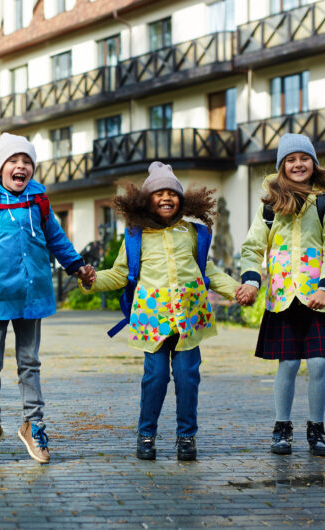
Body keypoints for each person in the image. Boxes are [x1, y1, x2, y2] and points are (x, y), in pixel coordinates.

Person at [0, 133, 95, 465]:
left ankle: (32, 424)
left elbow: (56, 239)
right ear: (0, 167)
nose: (20, 166)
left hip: (32, 296)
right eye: (13, 160)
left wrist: (77, 266)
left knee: (30, 363)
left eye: (26, 161)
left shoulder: (39, 203)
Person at [81, 162, 239, 461]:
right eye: (159, 193)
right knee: (155, 378)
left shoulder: (193, 233)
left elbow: (210, 273)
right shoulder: (136, 235)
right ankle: (146, 434)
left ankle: (186, 437)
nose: (167, 198)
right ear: (145, 200)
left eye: (172, 193)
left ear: (182, 199)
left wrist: (237, 290)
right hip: (152, 321)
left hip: (189, 319)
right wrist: (91, 279)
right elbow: (118, 274)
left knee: (187, 377)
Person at [235, 133, 325, 457]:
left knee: (320, 365)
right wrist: (251, 281)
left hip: (318, 300)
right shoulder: (269, 204)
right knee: (289, 364)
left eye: (304, 158)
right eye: (291, 160)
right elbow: (253, 248)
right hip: (282, 298)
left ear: (313, 163)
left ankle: (317, 430)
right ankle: (282, 429)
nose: (298, 164)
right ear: (282, 166)